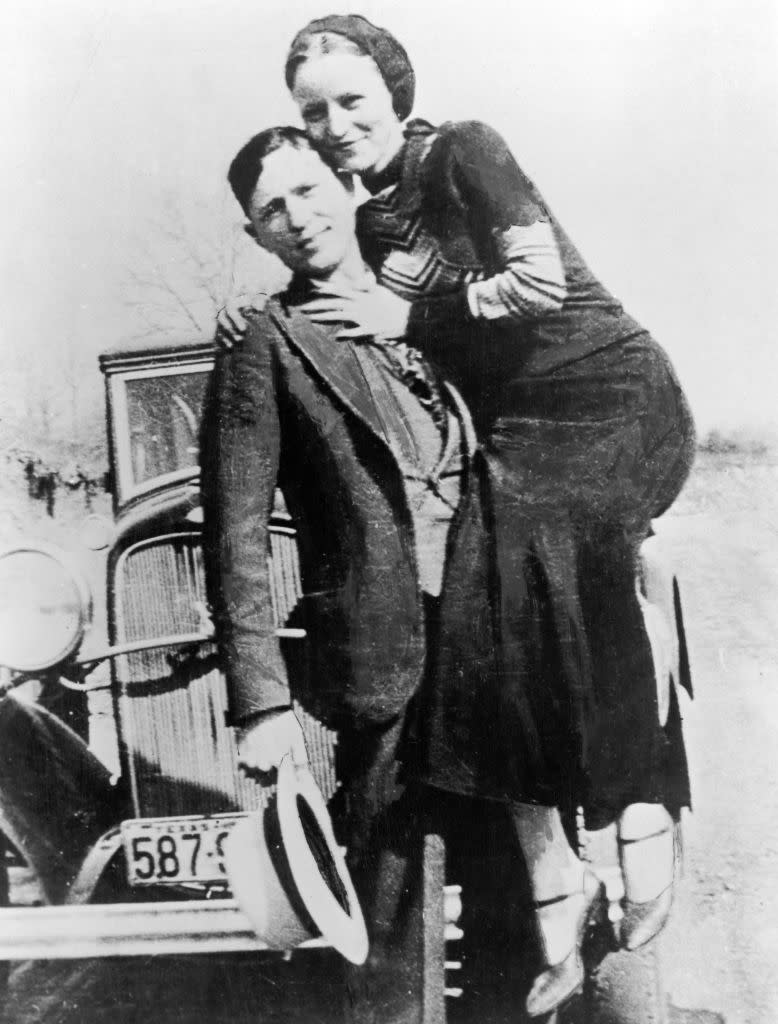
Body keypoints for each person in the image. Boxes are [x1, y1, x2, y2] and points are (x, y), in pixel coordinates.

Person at [272, 14, 696, 1017]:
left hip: (608, 398)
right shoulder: (374, 223)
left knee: (555, 557)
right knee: (472, 616)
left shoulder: (468, 148)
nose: (334, 125)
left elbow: (539, 282)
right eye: (311, 112)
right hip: (516, 434)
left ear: (393, 93)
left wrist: (412, 316)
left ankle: (641, 803)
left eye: (351, 102)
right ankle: (556, 870)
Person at [202, 125, 546, 1024]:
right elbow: (234, 532)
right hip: (383, 657)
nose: (298, 216)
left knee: (515, 890)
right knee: (395, 907)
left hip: (492, 636)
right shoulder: (262, 340)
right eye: (271, 209)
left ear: (345, 184)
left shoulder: (437, 304)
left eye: (309, 190)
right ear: (256, 235)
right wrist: (263, 704)